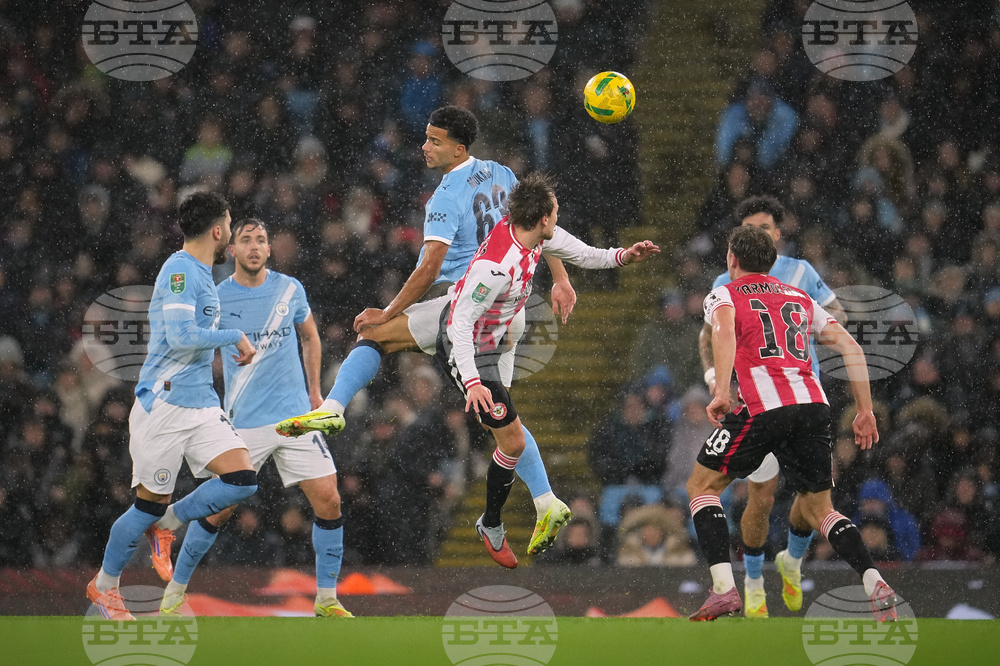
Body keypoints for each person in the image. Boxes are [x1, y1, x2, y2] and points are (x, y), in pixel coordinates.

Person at [277, 106, 577, 554]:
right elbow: (542, 226)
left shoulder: (444, 197)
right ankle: (542, 500)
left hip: (471, 311)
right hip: (512, 312)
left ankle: (335, 405)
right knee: (505, 423)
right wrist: (561, 278)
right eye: (425, 137)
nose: (424, 146)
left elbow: (429, 266)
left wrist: (388, 309)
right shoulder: (500, 172)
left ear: (458, 147)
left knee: (375, 335)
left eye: (434, 140)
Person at [445, 172, 660, 567]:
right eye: (556, 211)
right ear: (543, 217)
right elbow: (458, 322)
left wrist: (625, 256)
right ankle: (495, 522)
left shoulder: (536, 235)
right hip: (473, 350)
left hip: (502, 339)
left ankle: (509, 513)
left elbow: (585, 254)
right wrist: (472, 382)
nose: (558, 217)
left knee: (509, 437)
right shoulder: (495, 266)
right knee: (511, 440)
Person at [687, 225, 897, 622]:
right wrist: (865, 410)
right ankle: (873, 580)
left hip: (765, 406)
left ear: (732, 260)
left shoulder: (723, 294)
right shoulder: (799, 297)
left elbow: (724, 331)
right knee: (820, 508)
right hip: (813, 404)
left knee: (702, 486)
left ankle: (723, 589)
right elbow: (851, 347)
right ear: (771, 263)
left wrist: (721, 391)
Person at [158, 218, 352, 618]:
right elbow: (192, 345)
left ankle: (327, 600)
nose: (254, 246)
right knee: (219, 509)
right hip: (243, 421)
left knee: (329, 500)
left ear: (268, 249)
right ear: (232, 250)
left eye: (261, 240)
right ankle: (174, 592)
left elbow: (310, 336)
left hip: (295, 419)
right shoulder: (217, 297)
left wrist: (315, 393)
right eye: (245, 240)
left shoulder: (290, 288)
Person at [86, 192, 259, 620]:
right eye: (230, 226)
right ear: (218, 231)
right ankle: (105, 585)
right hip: (163, 403)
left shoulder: (199, 271)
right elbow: (182, 337)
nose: (232, 236)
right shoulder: (180, 270)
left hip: (200, 404)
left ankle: (169, 524)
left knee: (242, 479)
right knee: (146, 504)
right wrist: (233, 336)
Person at [698, 195, 846, 617]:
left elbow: (838, 317)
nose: (758, 234)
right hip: (756, 399)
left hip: (802, 392)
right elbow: (710, 336)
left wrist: (792, 332)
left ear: (778, 233)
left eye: (764, 227)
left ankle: (794, 561)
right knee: (760, 496)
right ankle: (754, 581)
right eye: (750, 228)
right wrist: (716, 381)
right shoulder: (724, 281)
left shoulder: (801, 272)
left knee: (812, 494)